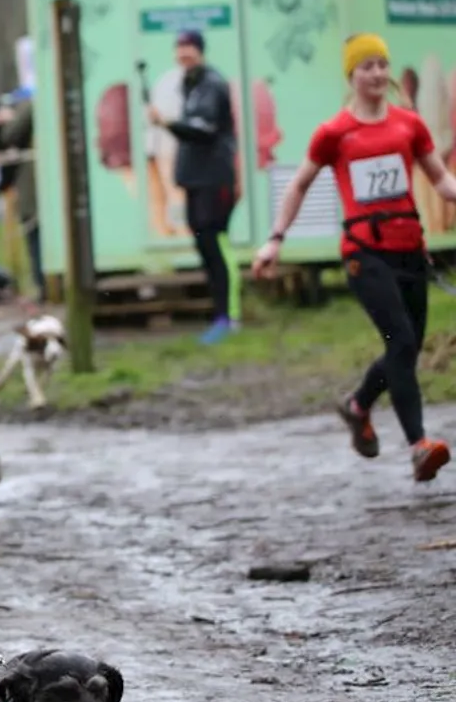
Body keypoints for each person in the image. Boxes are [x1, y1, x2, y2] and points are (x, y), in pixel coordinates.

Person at [253, 33, 456, 483]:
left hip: (409, 249)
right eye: (367, 66)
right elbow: (300, 184)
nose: (378, 74)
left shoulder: (410, 125)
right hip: (365, 253)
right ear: (352, 75)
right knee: (401, 342)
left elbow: (441, 181)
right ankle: (419, 446)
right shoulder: (334, 133)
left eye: (383, 64)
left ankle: (357, 405)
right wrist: (275, 238)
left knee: (405, 350)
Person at [149, 29, 239, 344]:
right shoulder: (191, 84)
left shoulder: (211, 84)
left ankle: (227, 316)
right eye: (179, 47)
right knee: (204, 246)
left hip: (214, 178)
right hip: (195, 179)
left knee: (215, 245)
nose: (184, 53)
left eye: (189, 47)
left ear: (200, 51)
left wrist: (167, 123)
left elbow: (204, 130)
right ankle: (220, 314)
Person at [0, 88, 43, 301]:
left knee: (35, 235)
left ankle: (42, 285)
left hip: (34, 190)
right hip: (27, 186)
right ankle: (38, 284)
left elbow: (9, 135)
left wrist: (7, 122)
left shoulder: (31, 107)